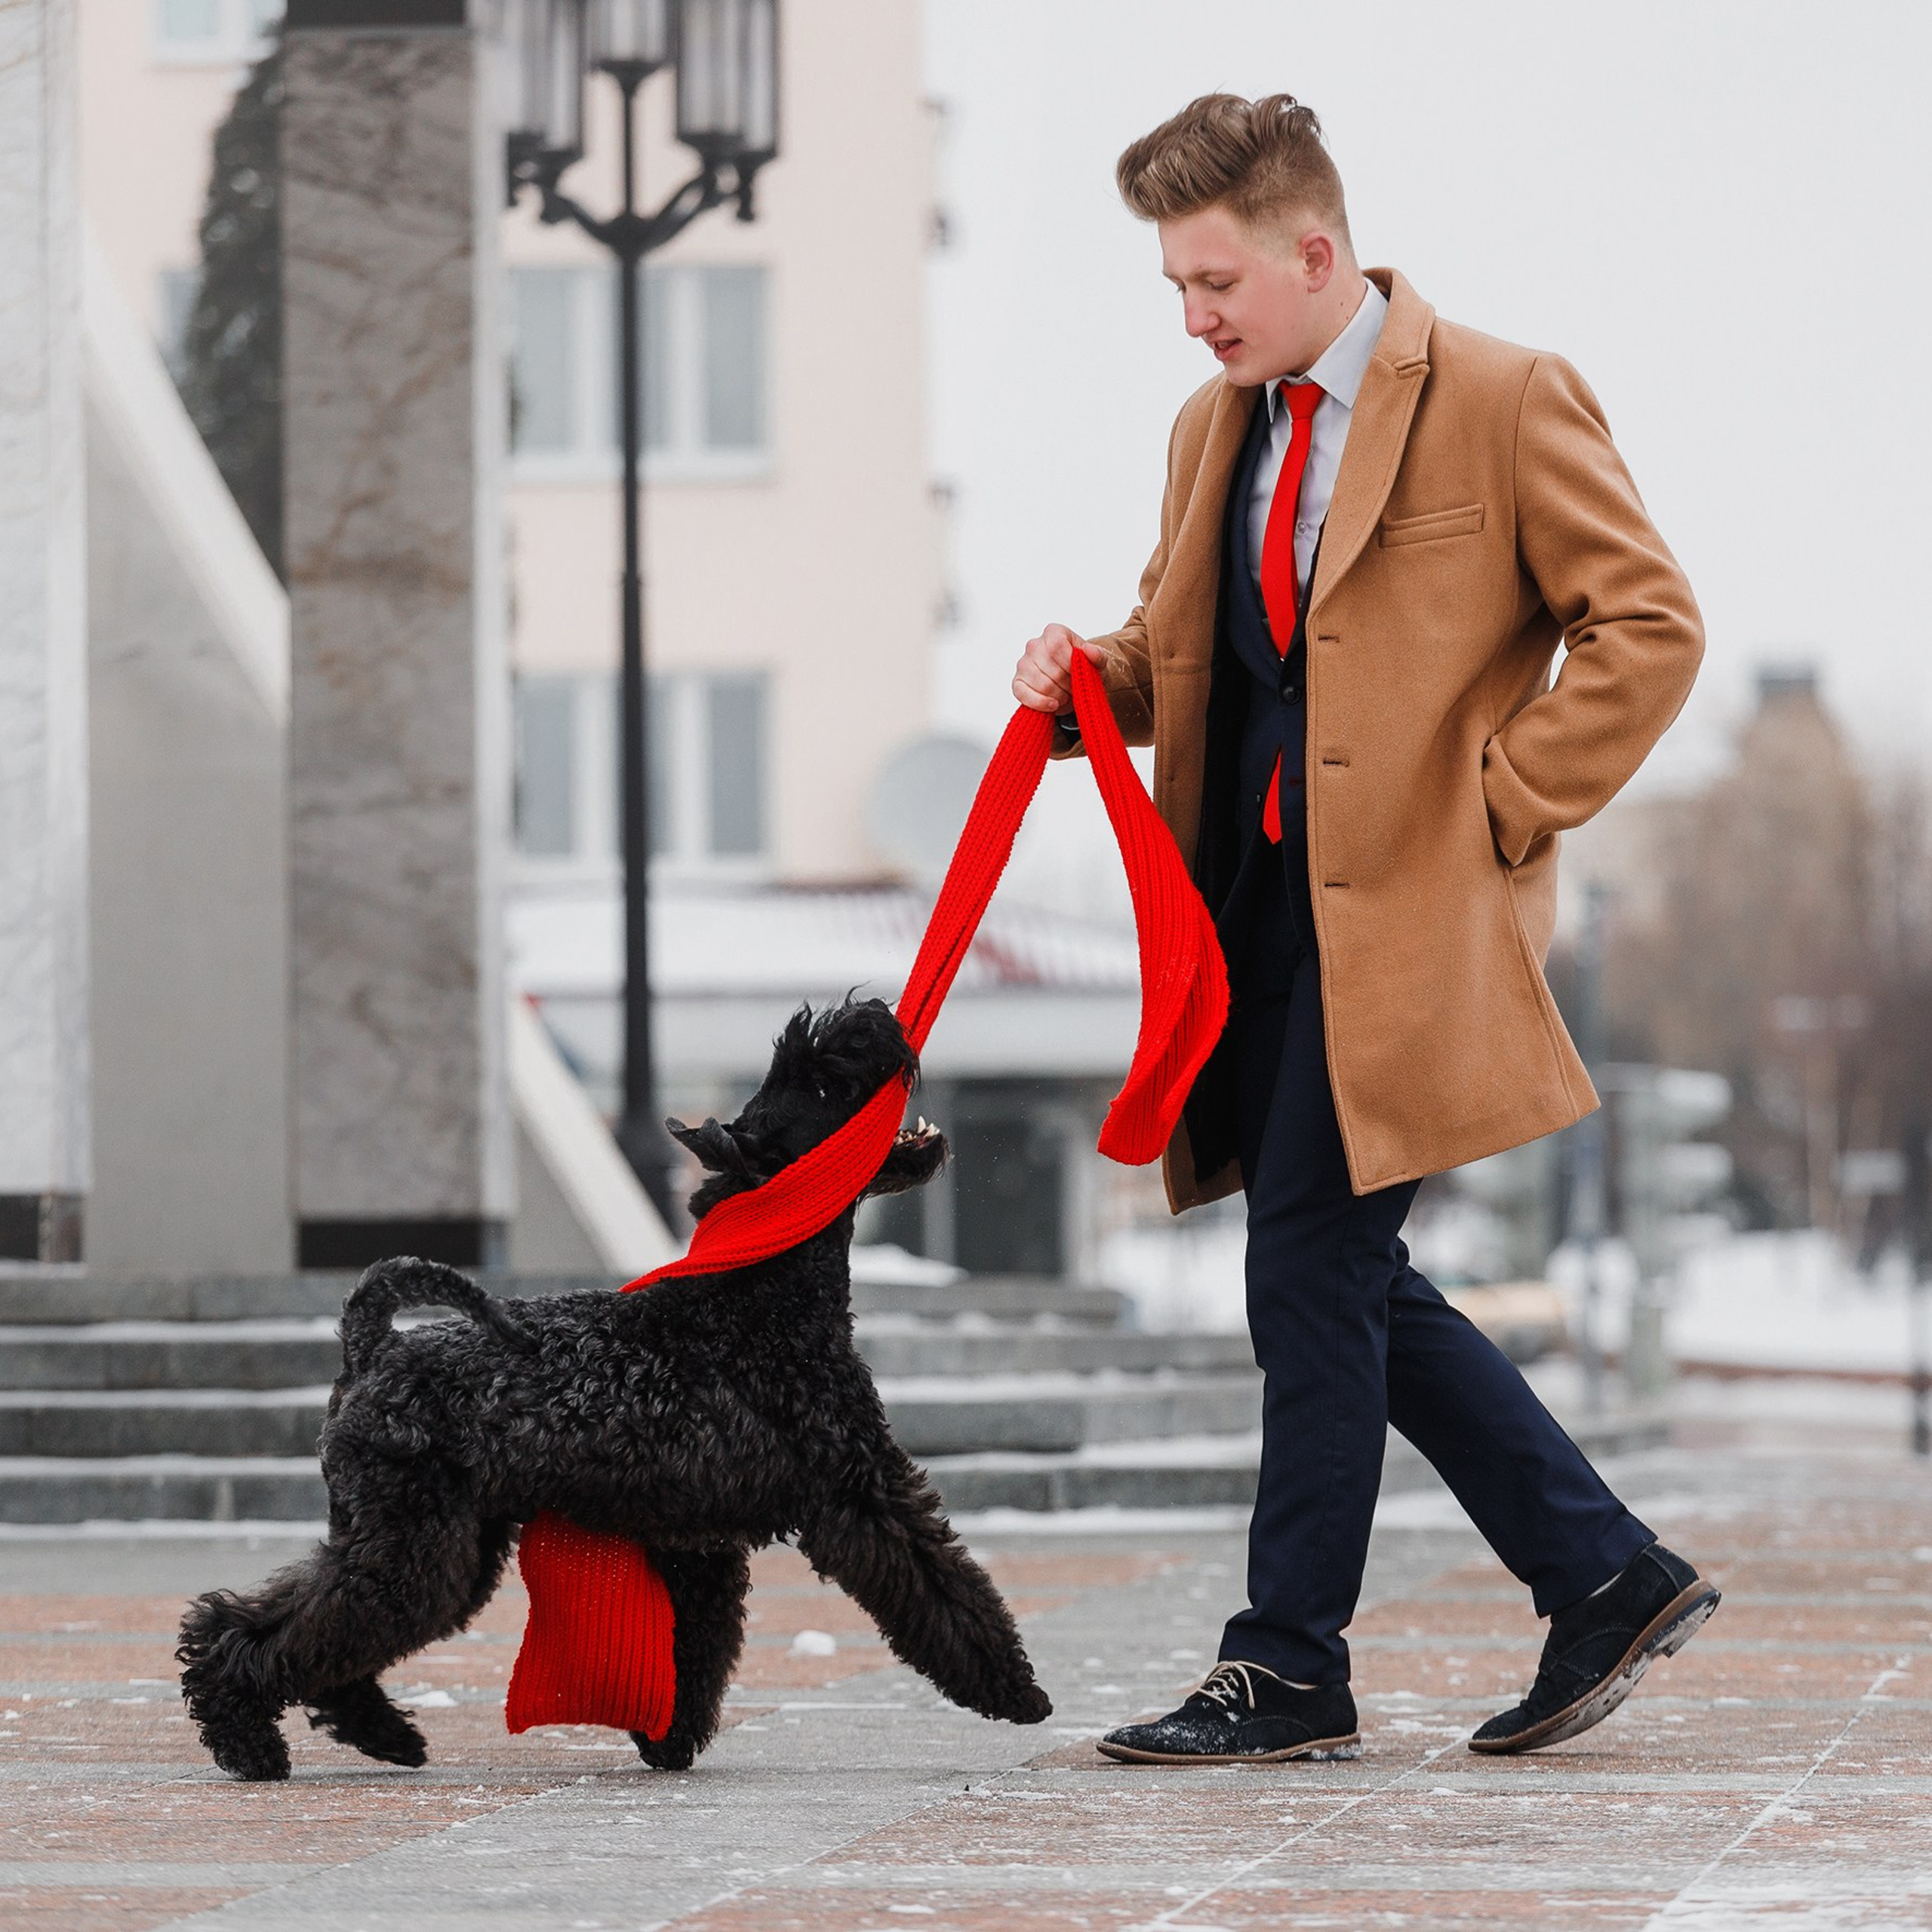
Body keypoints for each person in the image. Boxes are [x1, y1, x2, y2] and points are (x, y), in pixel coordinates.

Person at [1011, 93, 1718, 1764]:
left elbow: (1648, 623)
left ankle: (1286, 1661)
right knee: (1336, 1272)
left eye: (1211, 281)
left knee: (1308, 1267)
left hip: (1399, 925)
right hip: (1246, 918)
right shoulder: (1213, 427)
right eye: (1178, 288)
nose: (1192, 317)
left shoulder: (1497, 394)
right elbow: (1185, 648)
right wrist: (1079, 687)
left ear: (1310, 250)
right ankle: (1600, 1568)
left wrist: (1494, 803)